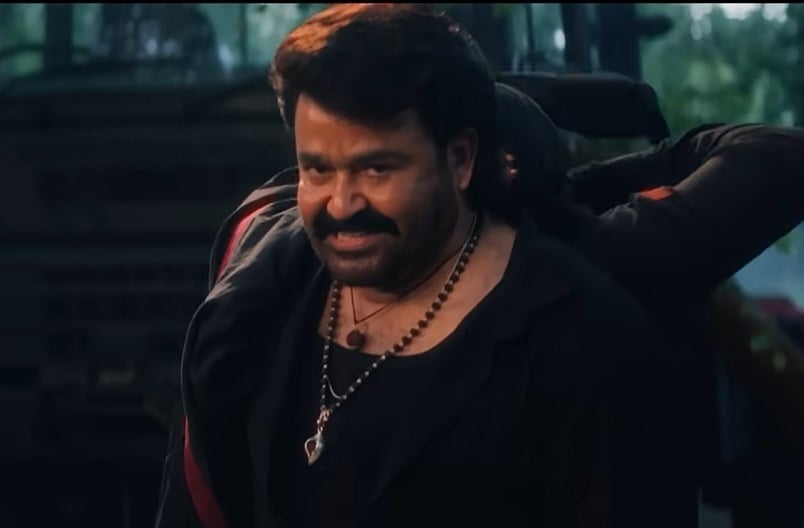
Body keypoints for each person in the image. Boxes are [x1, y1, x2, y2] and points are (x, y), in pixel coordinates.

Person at [156, 4, 696, 528]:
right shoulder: (254, 305)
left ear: (460, 159)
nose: (341, 204)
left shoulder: (587, 343)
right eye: (317, 170)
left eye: (377, 169)